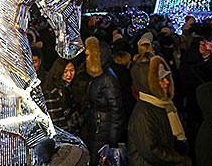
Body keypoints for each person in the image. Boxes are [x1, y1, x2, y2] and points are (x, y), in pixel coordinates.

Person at [128, 55, 191, 166]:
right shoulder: (143, 113)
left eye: (167, 78)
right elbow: (152, 151)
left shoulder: (164, 105)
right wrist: (181, 160)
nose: (167, 82)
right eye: (161, 80)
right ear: (150, 84)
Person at [85, 36, 124, 166]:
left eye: (89, 55)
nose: (87, 58)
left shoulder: (108, 80)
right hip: (97, 130)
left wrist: (112, 141)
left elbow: (117, 112)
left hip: (103, 133)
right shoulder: (97, 76)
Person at [42, 57, 82, 136]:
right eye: (65, 71)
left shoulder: (69, 87)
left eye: (72, 70)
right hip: (63, 137)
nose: (69, 74)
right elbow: (56, 121)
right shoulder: (51, 92)